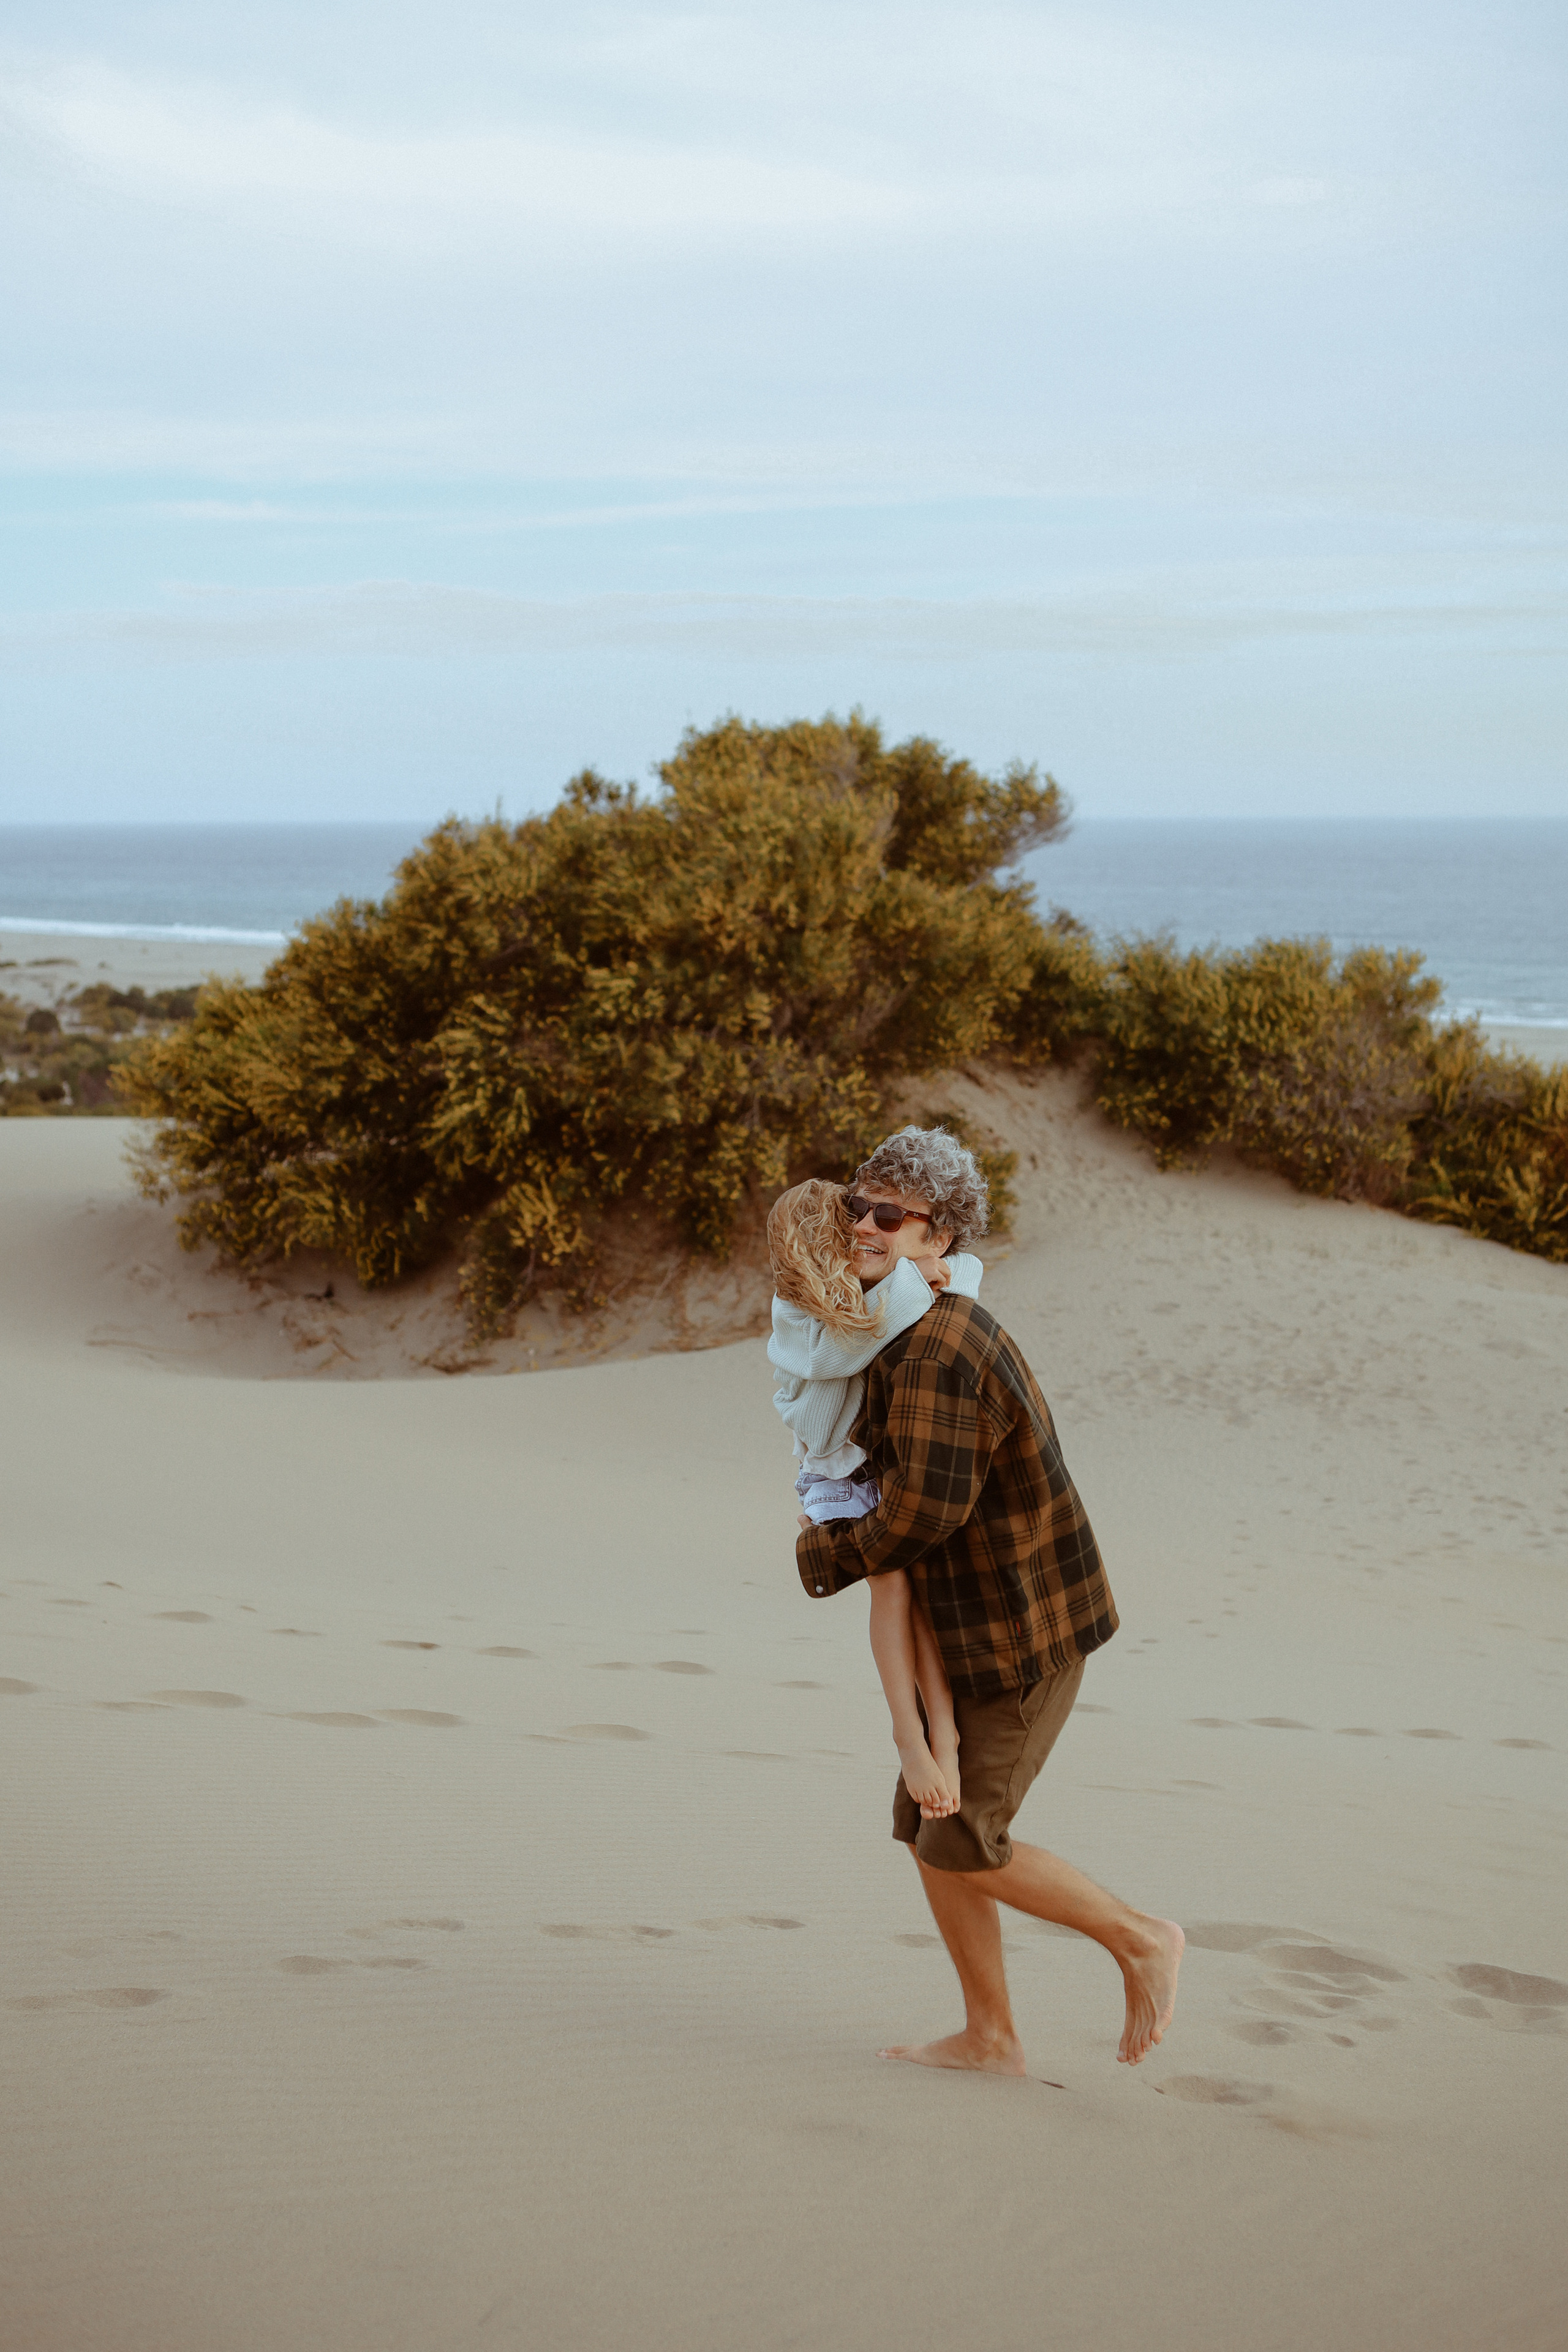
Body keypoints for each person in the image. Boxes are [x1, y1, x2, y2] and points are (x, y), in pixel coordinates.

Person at [793, 1125, 1184, 2073]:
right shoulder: (900, 1328)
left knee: (963, 1835)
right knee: (932, 1833)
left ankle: (1141, 1939)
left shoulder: (936, 1348)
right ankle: (991, 2036)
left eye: (893, 1215)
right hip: (960, 1621)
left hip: (1018, 1632)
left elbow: (924, 1512)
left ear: (940, 1239)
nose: (865, 1225)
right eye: (858, 1205)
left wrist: (823, 1552)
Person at [766, 1177, 984, 1820]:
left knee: (918, 1593)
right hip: (834, 1470)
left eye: (878, 1216)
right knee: (891, 1586)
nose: (864, 1228)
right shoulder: (798, 1307)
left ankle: (941, 1730)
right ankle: (909, 1737)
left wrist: (951, 1267)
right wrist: (927, 1275)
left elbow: (960, 1275)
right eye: (857, 1215)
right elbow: (846, 1350)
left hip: (876, 1462)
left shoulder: (879, 1285)